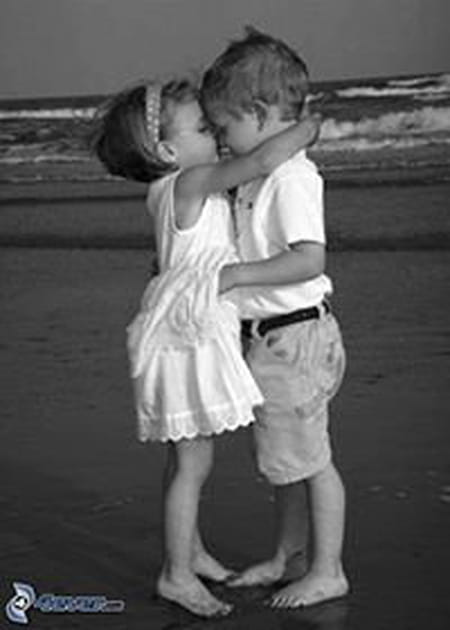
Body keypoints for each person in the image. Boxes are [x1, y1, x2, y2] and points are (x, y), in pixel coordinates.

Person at [93, 78, 318, 617]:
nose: (214, 132)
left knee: (185, 455)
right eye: (200, 127)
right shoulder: (191, 181)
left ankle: (189, 552)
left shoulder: (165, 190)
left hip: (177, 324)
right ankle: (175, 575)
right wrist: (306, 127)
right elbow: (261, 161)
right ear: (167, 151)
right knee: (193, 462)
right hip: (188, 333)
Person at [201, 27, 349, 608]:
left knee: (313, 462)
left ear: (260, 115)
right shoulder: (261, 173)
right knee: (288, 460)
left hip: (295, 338)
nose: (221, 139)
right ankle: (288, 556)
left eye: (225, 127)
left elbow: (309, 259)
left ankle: (329, 569)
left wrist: (238, 276)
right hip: (273, 339)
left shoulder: (291, 178)